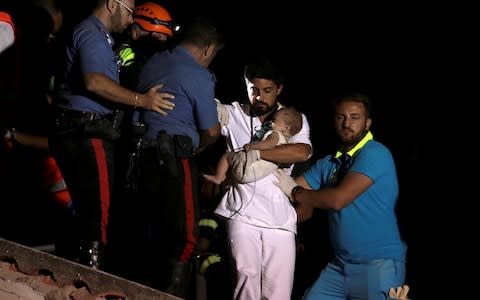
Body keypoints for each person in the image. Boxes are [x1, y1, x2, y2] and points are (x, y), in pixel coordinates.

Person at [48, 0, 176, 270]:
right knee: (97, 212)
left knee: (89, 211)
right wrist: (143, 101)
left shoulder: (101, 38)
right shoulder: (93, 34)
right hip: (87, 129)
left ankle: (78, 269)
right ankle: (90, 275)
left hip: (81, 127)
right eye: (130, 12)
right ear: (111, 4)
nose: (131, 20)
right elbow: (94, 81)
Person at [273, 92, 408, 299]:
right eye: (340, 117)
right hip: (340, 266)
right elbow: (279, 185)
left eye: (355, 117)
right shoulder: (329, 162)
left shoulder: (375, 153)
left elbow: (337, 200)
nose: (347, 123)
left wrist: (294, 191)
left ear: (367, 123)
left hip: (379, 266)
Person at [127, 15, 224, 298]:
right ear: (208, 49)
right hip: (173, 158)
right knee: (185, 237)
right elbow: (212, 131)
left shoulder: (154, 62)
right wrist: (198, 148)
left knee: (148, 231)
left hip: (139, 156)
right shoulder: (198, 74)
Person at [214, 55, 313, 300]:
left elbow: (301, 152)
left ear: (279, 89)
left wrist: (255, 151)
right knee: (245, 282)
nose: (260, 97)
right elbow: (204, 108)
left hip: (280, 218)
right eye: (254, 90)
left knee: (278, 291)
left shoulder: (292, 119)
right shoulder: (234, 113)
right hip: (241, 213)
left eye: (267, 90)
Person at [204, 106, 303, 185]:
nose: (270, 122)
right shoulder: (287, 146)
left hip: (246, 167)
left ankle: (219, 177)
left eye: (274, 120)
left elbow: (268, 144)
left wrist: (252, 146)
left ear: (285, 128)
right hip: (255, 175)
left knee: (226, 156)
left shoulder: (275, 134)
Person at [115, 1, 178, 90]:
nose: (161, 42)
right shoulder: (131, 56)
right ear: (135, 34)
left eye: (165, 38)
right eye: (157, 37)